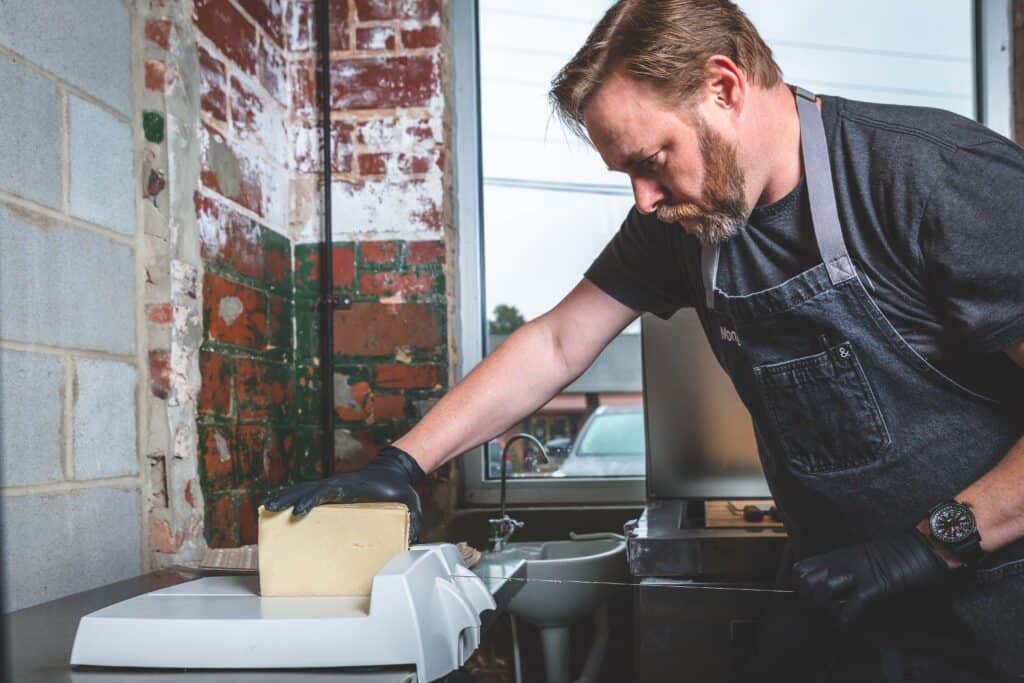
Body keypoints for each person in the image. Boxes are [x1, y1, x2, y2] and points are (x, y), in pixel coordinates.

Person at [264, 1, 1024, 679]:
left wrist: (932, 545)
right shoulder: (683, 228)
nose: (644, 199)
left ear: (723, 86)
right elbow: (559, 341)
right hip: (845, 593)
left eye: (651, 161)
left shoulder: (931, 178)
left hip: (994, 598)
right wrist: (406, 460)